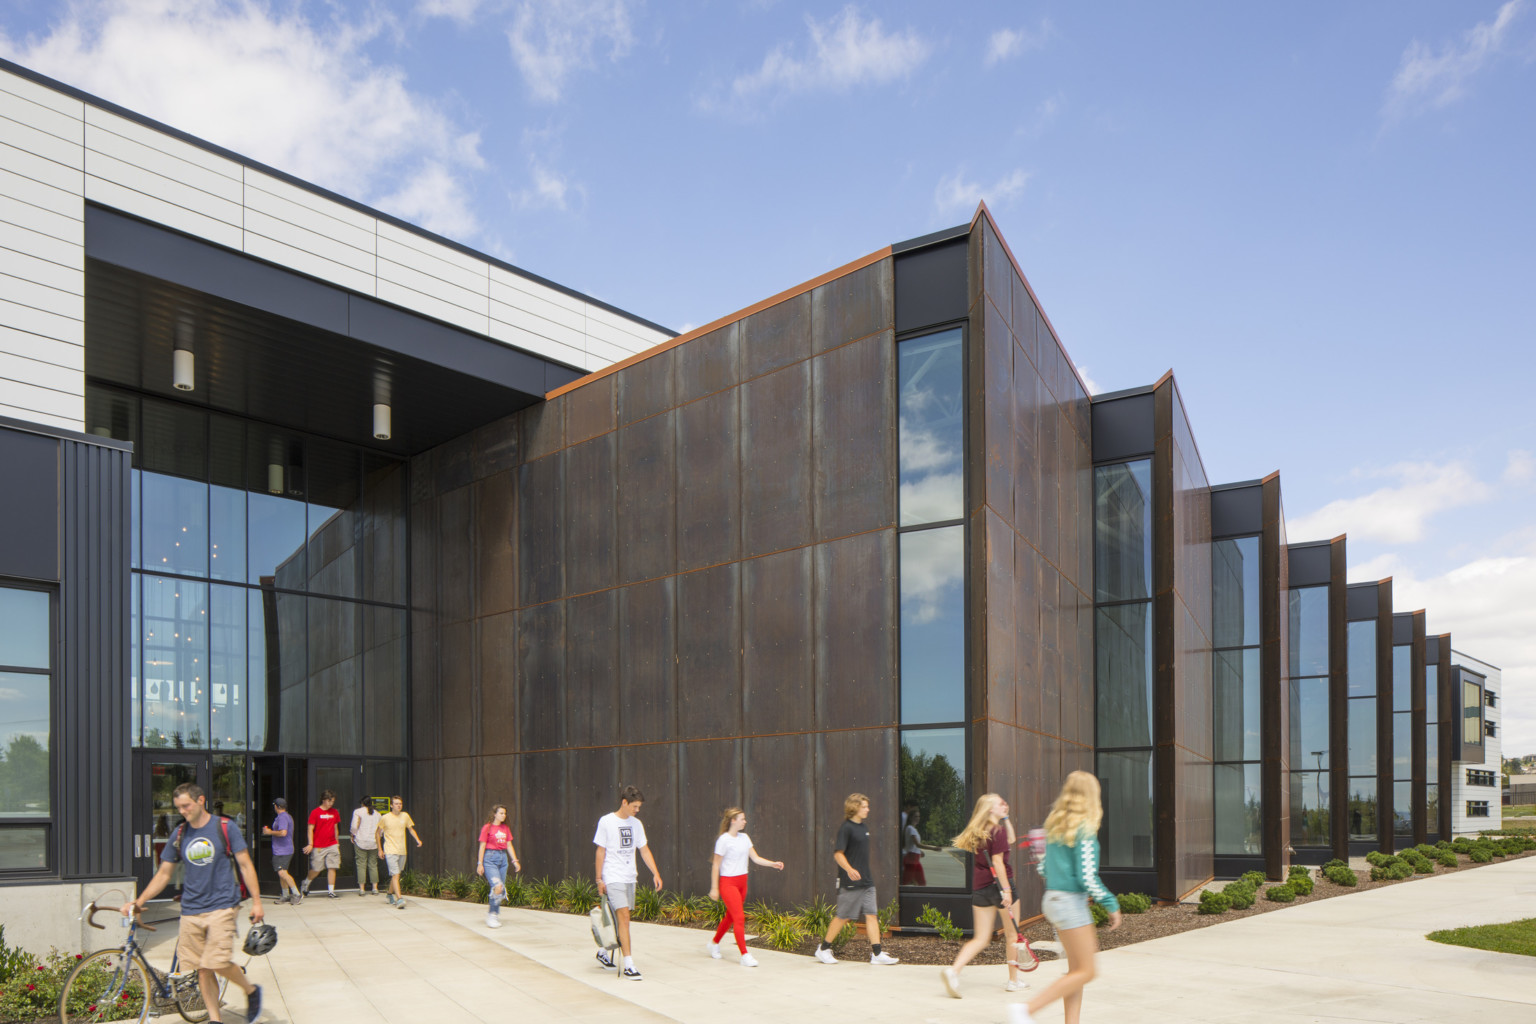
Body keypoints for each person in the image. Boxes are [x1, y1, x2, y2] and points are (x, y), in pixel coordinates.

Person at [121, 782, 264, 1024]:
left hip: (222, 905)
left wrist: (257, 902)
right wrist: (140, 900)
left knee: (216, 962)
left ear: (201, 801)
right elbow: (164, 873)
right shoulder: (180, 834)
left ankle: (250, 990)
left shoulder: (225, 828)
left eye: (186, 805)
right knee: (202, 968)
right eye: (178, 807)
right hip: (191, 909)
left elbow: (245, 865)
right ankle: (215, 1020)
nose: (182, 811)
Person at [1007, 771, 1121, 1024]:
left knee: (1076, 971)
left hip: (1054, 900)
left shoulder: (1055, 828)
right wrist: (1111, 904)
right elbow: (1087, 878)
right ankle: (1026, 1010)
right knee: (1087, 971)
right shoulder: (1085, 831)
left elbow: (1044, 869)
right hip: (1071, 903)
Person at [941, 794, 1027, 998]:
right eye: (1000, 803)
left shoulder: (981, 832)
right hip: (1001, 888)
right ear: (990, 809)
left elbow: (1012, 839)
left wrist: (1005, 817)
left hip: (980, 889)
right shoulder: (997, 831)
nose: (1004, 804)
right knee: (1012, 935)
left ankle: (953, 971)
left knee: (981, 938)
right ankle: (1013, 981)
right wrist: (1006, 890)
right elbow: (998, 862)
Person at [813, 793, 897, 965]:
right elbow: (838, 854)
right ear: (855, 807)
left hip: (867, 881)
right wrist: (849, 869)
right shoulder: (846, 828)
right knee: (843, 916)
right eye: (864, 806)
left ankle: (877, 954)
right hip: (851, 882)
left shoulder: (864, 827)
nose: (868, 809)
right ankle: (823, 949)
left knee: (872, 915)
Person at [594, 784, 663, 980]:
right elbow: (601, 851)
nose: (637, 810)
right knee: (623, 917)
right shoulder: (606, 821)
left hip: (629, 877)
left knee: (621, 918)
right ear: (624, 802)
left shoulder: (636, 824)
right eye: (634, 806)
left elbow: (644, 850)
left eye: (639, 807)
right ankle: (629, 964)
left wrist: (655, 873)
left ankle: (603, 951)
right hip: (612, 875)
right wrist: (599, 879)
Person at [707, 807, 784, 967]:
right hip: (728, 884)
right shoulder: (723, 840)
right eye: (742, 819)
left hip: (743, 883)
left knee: (731, 917)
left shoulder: (745, 838)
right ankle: (744, 954)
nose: (745, 821)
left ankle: (714, 943)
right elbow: (716, 865)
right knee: (740, 918)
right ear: (733, 821)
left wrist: (773, 864)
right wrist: (714, 888)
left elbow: (755, 858)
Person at [476, 804, 521, 928]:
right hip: (490, 859)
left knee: (500, 889)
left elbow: (509, 845)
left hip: (503, 859)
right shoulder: (487, 828)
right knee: (498, 886)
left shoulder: (505, 828)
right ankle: (492, 915)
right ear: (494, 814)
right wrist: (480, 863)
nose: (503, 815)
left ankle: (494, 913)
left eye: (505, 813)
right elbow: (482, 846)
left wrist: (515, 861)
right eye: (501, 813)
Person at [377, 795, 422, 908]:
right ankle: (400, 899)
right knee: (396, 875)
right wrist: (380, 849)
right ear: (391, 805)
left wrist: (418, 840)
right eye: (396, 803)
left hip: (402, 850)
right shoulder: (385, 818)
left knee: (396, 875)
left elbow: (410, 829)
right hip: (390, 850)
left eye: (400, 803)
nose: (399, 805)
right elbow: (378, 834)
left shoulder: (405, 816)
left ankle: (389, 894)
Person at [300, 790, 342, 899]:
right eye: (329, 801)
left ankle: (331, 891)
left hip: (332, 844)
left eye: (332, 801)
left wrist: (337, 842)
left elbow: (335, 828)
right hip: (318, 845)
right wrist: (310, 843)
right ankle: (306, 883)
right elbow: (310, 828)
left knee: (332, 867)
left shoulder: (335, 812)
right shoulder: (315, 812)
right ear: (323, 800)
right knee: (317, 869)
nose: (331, 804)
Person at [261, 797, 299, 904]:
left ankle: (296, 894)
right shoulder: (284, 817)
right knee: (282, 873)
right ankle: (285, 895)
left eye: (274, 806)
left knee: (282, 873)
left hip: (283, 850)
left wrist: (269, 832)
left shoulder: (283, 817)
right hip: (282, 850)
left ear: (276, 806)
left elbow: (283, 833)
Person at [351, 796, 383, 896]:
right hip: (373, 842)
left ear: (362, 803)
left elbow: (354, 826)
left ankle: (362, 889)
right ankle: (375, 888)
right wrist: (379, 839)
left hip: (361, 841)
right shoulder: (378, 814)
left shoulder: (358, 812)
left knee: (361, 864)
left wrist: (353, 835)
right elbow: (381, 830)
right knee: (373, 864)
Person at [902, 807, 926, 885]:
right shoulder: (910, 828)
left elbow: (912, 845)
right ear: (911, 817)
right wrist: (934, 848)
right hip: (911, 859)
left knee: (921, 882)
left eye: (918, 816)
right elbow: (917, 844)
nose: (918, 818)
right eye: (916, 816)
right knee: (906, 882)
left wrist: (919, 851)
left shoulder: (913, 829)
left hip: (915, 859)